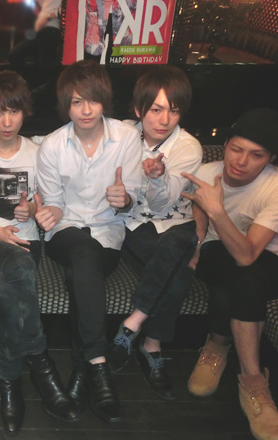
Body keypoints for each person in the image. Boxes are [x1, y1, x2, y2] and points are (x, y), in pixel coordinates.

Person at [0, 70, 79, 436]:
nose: (7, 121)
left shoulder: (39, 153)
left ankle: (9, 382)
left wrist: (34, 208)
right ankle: (41, 364)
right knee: (14, 265)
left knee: (2, 288)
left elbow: (48, 200)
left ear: (25, 111)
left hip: (27, 242)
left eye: (13, 111)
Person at [182, 108, 278, 440]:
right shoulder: (207, 173)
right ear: (226, 145)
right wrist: (197, 239)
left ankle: (222, 352)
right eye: (236, 149)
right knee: (241, 279)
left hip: (264, 257)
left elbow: (247, 254)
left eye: (256, 155)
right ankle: (253, 381)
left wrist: (217, 209)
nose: (242, 162)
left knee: (244, 277)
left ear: (271, 158)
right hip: (215, 252)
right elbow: (196, 217)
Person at [35, 60, 142, 423]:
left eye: (92, 101)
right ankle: (99, 364)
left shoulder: (126, 138)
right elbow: (54, 203)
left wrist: (124, 199)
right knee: (81, 250)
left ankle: (83, 371)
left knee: (83, 268)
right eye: (76, 101)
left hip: (107, 234)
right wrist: (47, 212)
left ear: (104, 101)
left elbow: (133, 198)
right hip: (64, 233)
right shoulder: (52, 145)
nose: (85, 110)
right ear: (65, 104)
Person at [105, 66, 202, 401]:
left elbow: (164, 206)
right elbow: (85, 133)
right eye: (156, 110)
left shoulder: (188, 147)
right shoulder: (123, 134)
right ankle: (151, 346)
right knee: (178, 270)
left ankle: (133, 324)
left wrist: (158, 177)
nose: (165, 120)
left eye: (173, 111)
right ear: (139, 110)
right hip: (135, 223)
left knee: (178, 243)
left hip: (176, 222)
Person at [7, 0, 61, 65]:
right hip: (40, 30)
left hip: (51, 29)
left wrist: (48, 17)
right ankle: (28, 72)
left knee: (44, 65)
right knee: (14, 56)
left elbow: (64, 10)